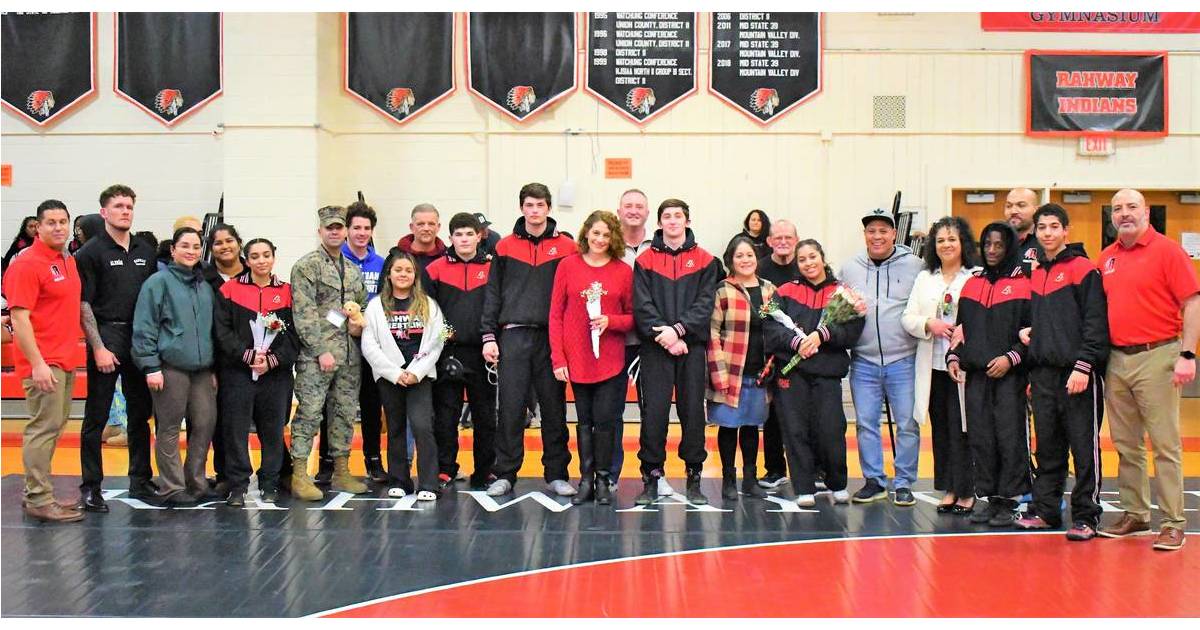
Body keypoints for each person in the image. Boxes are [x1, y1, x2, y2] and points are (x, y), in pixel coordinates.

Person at [1096, 189, 1198, 551]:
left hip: (1158, 354)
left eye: (1132, 207)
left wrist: (1188, 353)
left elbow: (1192, 301)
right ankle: (1136, 513)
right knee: (1126, 443)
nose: (1125, 214)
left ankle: (1173, 522)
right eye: (1118, 208)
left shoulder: (1167, 250)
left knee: (1166, 444)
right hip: (1117, 358)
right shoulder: (1106, 258)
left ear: (1147, 211)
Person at [1013, 204, 1108, 540]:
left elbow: (1096, 324)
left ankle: (1087, 517)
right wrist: (1029, 332)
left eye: (1055, 226)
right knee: (1048, 449)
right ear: (1036, 232)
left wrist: (1084, 366)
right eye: (1042, 227)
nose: (1048, 233)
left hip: (1077, 374)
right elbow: (1047, 322)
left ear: (1066, 230)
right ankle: (1046, 511)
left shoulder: (1084, 269)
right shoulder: (1036, 272)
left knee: (1084, 449)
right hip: (1043, 376)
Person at [480, 183, 577, 497]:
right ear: (522, 208)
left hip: (551, 337)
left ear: (549, 208)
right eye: (529, 205)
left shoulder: (566, 246)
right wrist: (488, 336)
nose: (535, 211)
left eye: (540, 205)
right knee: (510, 409)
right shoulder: (505, 247)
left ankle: (557, 473)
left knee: (553, 408)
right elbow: (492, 294)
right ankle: (505, 473)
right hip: (513, 335)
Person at [633, 198, 722, 505]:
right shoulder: (644, 261)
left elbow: (705, 304)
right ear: (659, 223)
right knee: (653, 413)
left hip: (691, 348)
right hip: (657, 349)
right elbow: (642, 306)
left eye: (678, 216)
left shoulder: (706, 260)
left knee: (692, 413)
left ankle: (694, 476)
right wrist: (668, 337)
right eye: (666, 216)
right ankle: (652, 476)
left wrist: (680, 331)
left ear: (687, 220)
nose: (672, 221)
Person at [75, 185, 159, 511]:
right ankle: (90, 487)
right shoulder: (90, 253)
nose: (125, 211)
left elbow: (152, 300)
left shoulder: (145, 250)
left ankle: (140, 480)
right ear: (104, 213)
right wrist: (97, 347)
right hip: (106, 335)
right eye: (118, 206)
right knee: (96, 417)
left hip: (139, 338)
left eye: (129, 206)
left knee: (140, 415)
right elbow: (84, 305)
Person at [765, 239, 864, 507]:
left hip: (828, 375)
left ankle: (837, 483)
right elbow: (770, 328)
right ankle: (804, 487)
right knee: (795, 431)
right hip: (792, 374)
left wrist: (823, 336)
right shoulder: (784, 292)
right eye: (802, 259)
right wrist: (796, 343)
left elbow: (853, 331)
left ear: (822, 257)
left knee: (831, 431)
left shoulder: (842, 293)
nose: (808, 263)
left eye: (813, 257)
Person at [946, 222, 1031, 527]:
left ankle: (1010, 500)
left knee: (1009, 438)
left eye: (999, 245)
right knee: (981, 438)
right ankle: (990, 497)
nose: (993, 251)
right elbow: (961, 329)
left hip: (1009, 376)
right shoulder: (972, 284)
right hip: (977, 377)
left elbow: (1034, 335)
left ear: (1010, 248)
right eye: (988, 245)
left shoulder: (1025, 284)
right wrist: (954, 356)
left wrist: (1011, 358)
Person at [5, 200, 85, 522]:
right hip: (43, 360)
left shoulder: (66, 260)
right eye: (50, 222)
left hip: (64, 358)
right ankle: (39, 498)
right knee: (42, 428)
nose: (58, 227)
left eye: (63, 221)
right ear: (37, 227)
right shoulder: (26, 264)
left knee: (54, 427)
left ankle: (38, 493)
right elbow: (19, 319)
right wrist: (37, 363)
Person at [839, 208, 924, 506]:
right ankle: (874, 480)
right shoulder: (849, 269)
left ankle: (903, 482)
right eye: (871, 231)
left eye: (883, 230)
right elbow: (840, 310)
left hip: (904, 359)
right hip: (863, 361)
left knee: (907, 424)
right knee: (865, 423)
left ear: (893, 234)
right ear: (865, 235)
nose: (877, 236)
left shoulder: (916, 266)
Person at [285, 205, 369, 501]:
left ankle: (341, 471)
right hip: (317, 358)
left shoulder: (353, 270)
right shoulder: (307, 266)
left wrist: (360, 327)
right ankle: (299, 475)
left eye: (339, 227)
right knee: (309, 413)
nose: (335, 232)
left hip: (349, 356)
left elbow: (359, 307)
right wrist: (319, 350)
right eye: (329, 227)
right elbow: (303, 314)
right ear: (320, 231)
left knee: (344, 414)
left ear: (345, 231)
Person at [549, 210, 634, 505]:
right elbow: (556, 315)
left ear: (614, 239)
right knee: (584, 422)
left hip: (610, 360)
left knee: (606, 421)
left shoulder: (623, 271)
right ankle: (584, 479)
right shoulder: (567, 266)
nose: (600, 239)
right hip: (577, 359)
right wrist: (558, 358)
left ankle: (602, 479)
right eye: (595, 233)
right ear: (586, 233)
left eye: (606, 235)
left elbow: (633, 317)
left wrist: (613, 321)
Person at [132, 227, 218, 506]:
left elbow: (210, 329)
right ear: (173, 250)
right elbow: (145, 326)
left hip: (202, 369)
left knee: (205, 423)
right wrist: (150, 366)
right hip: (170, 367)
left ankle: (196, 480)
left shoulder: (204, 285)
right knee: (169, 427)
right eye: (185, 246)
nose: (191, 251)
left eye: (195, 246)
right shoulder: (157, 283)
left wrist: (214, 367)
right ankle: (172, 486)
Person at [213, 238, 300, 506]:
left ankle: (270, 481)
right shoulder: (229, 290)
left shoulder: (287, 292)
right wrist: (248, 356)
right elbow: (222, 332)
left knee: (273, 430)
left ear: (274, 257)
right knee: (235, 430)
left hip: (275, 376)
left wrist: (272, 361)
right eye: (254, 256)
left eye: (266, 255)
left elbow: (295, 336)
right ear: (246, 259)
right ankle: (238, 484)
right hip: (237, 375)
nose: (261, 260)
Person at [902, 216, 979, 515]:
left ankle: (967, 490)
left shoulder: (976, 275)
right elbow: (908, 318)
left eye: (952, 239)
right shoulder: (925, 278)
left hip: (964, 367)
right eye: (941, 240)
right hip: (932, 366)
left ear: (963, 243)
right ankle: (948, 487)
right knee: (942, 430)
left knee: (964, 429)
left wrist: (968, 329)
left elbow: (987, 317)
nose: (946, 245)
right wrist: (928, 323)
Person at [362, 251, 447, 501]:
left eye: (408, 271)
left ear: (415, 276)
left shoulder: (429, 305)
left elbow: (439, 340)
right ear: (388, 274)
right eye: (398, 270)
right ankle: (399, 480)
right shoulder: (375, 306)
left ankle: (429, 484)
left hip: (419, 376)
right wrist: (395, 373)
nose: (403, 274)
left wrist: (416, 371)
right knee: (396, 427)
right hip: (391, 377)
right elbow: (369, 345)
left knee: (422, 425)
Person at [425, 212, 497, 490]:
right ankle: (446, 469)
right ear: (450, 237)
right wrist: (445, 337)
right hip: (448, 353)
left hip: (483, 354)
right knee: (446, 416)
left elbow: (497, 308)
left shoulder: (494, 268)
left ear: (479, 236)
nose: (464, 239)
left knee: (485, 416)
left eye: (469, 234)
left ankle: (485, 471)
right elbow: (428, 312)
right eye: (458, 234)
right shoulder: (434, 269)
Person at [707, 236, 774, 501]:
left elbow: (778, 328)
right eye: (739, 256)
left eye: (749, 255)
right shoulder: (723, 290)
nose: (745, 260)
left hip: (760, 374)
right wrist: (718, 372)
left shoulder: (770, 290)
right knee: (728, 426)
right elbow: (712, 331)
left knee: (750, 427)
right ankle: (728, 479)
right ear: (730, 261)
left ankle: (750, 478)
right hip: (731, 371)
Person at [335, 201, 388, 483]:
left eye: (367, 228)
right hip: (340, 342)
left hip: (372, 345)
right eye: (356, 227)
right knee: (337, 405)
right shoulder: (334, 262)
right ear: (346, 230)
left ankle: (374, 461)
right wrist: (341, 322)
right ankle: (329, 462)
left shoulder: (381, 264)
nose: (361, 233)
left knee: (371, 405)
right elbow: (327, 305)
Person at [616, 188, 659, 493]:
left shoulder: (658, 246)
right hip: (614, 338)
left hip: (649, 341)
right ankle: (610, 472)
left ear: (647, 213)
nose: (633, 210)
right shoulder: (607, 244)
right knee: (611, 409)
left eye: (639, 206)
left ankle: (652, 471)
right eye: (628, 206)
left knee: (651, 410)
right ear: (619, 211)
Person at [755, 219, 801, 490]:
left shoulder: (806, 263)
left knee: (805, 413)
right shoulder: (760, 269)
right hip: (772, 352)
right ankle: (774, 469)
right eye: (778, 237)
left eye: (788, 237)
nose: (783, 242)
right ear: (769, 241)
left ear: (796, 239)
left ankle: (812, 468)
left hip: (804, 350)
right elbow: (759, 312)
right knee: (771, 415)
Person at [203, 223, 245, 493]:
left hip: (255, 361)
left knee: (267, 422)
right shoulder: (203, 279)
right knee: (221, 420)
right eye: (218, 243)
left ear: (239, 243)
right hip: (219, 361)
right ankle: (225, 474)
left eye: (229, 240)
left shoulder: (255, 273)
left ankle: (276, 473)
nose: (225, 246)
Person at [392, 203, 447, 272]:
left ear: (438, 227)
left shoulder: (449, 258)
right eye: (420, 224)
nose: (426, 228)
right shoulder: (395, 257)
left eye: (431, 224)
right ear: (411, 227)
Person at [1004, 188, 1041, 273]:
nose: (1013, 211)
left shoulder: (1047, 242)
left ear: (1037, 210)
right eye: (1009, 206)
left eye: (1021, 205)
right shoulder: (999, 241)